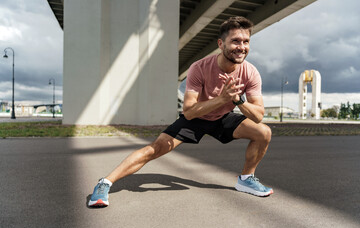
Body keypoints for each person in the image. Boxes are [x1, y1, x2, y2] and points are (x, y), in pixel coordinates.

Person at [88, 16, 273, 207]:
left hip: (222, 117)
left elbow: (258, 116)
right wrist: (222, 99)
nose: (241, 47)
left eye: (246, 41)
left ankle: (246, 179)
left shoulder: (250, 73)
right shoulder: (199, 68)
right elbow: (189, 112)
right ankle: (105, 183)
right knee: (155, 149)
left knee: (263, 132)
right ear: (221, 43)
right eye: (235, 41)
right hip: (197, 117)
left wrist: (238, 100)